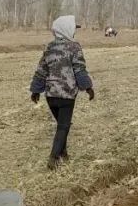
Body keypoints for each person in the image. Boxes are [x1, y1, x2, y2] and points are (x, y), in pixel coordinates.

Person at [30, 15, 95, 169]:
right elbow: (79, 69)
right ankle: (54, 157)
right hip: (66, 95)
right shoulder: (74, 47)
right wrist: (88, 88)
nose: (74, 32)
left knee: (62, 125)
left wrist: (35, 90)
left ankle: (64, 153)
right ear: (66, 30)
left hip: (51, 95)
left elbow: (41, 70)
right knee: (63, 127)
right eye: (73, 29)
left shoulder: (49, 47)